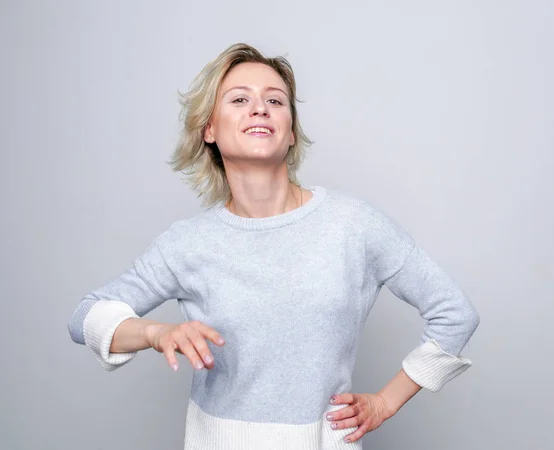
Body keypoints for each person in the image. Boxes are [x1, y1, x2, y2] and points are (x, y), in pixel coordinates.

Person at [68, 42, 480, 449]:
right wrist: (156, 333)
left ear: (290, 132)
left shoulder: (353, 224)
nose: (260, 108)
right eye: (239, 99)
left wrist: (385, 403)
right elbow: (85, 317)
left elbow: (454, 313)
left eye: (275, 100)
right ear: (208, 129)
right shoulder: (187, 244)